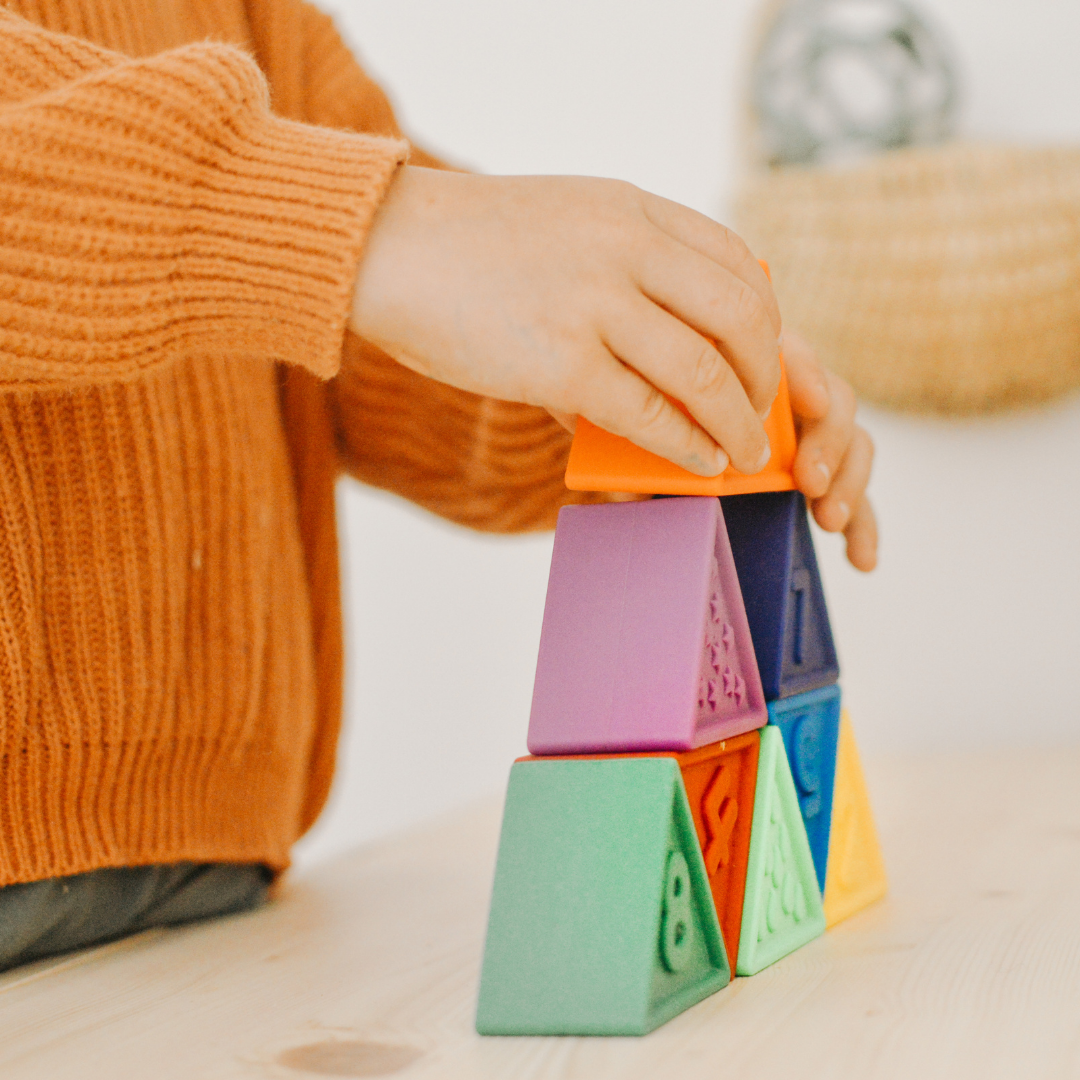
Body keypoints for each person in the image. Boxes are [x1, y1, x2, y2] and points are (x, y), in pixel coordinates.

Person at [0, 0, 876, 971]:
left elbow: (381, 336)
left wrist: (631, 394)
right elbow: (357, 241)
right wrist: (358, 229)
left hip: (217, 883)